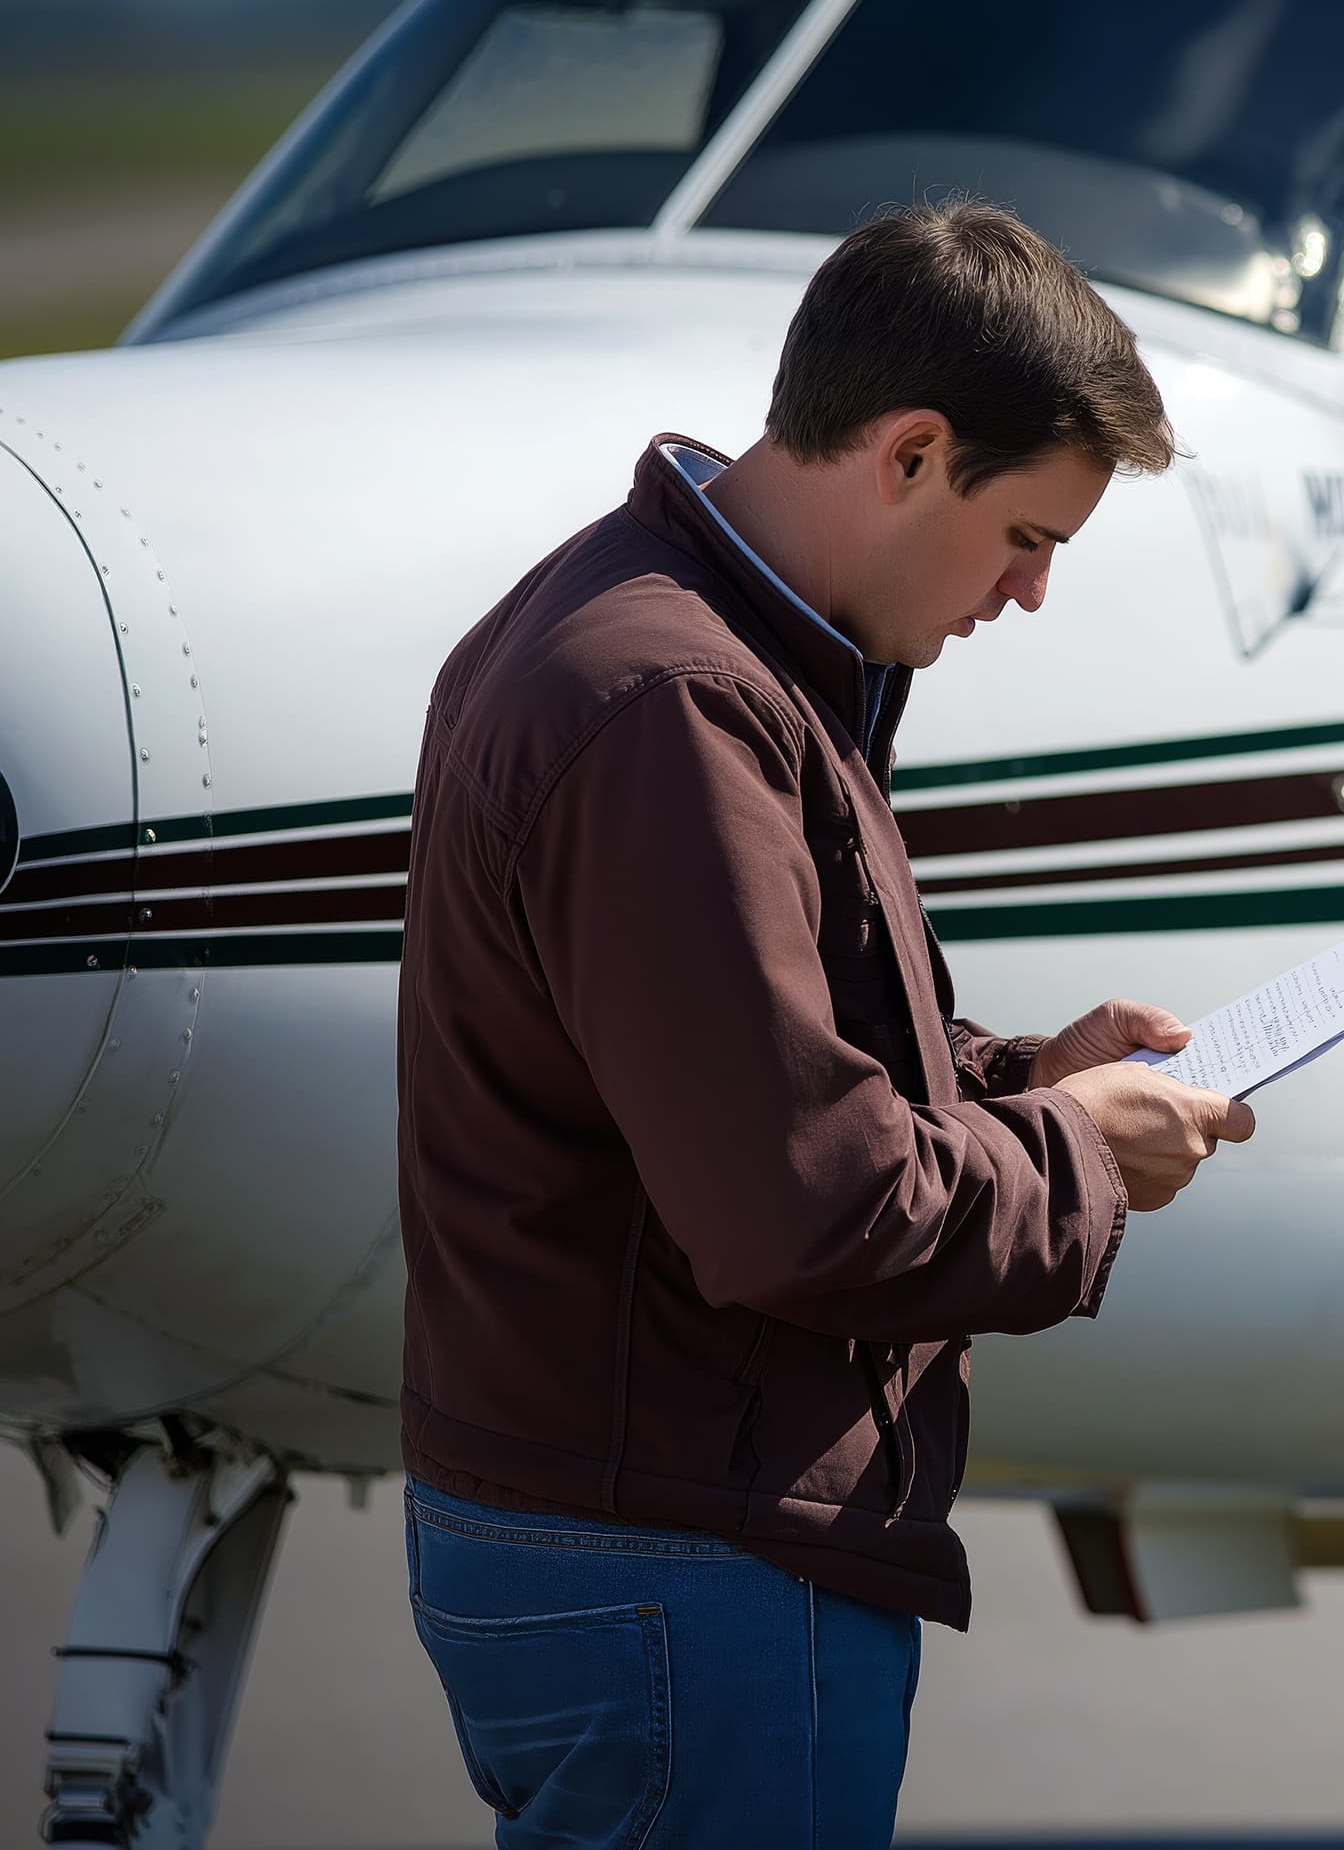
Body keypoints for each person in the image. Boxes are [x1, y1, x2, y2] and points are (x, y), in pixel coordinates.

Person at [396, 201, 1252, 1845]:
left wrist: (1020, 1080)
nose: (1031, 591)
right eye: (1030, 535)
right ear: (913, 453)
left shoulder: (649, 625)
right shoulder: (680, 706)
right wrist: (1075, 1157)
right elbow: (807, 1206)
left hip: (615, 1532)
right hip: (682, 1569)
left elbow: (724, 1074)